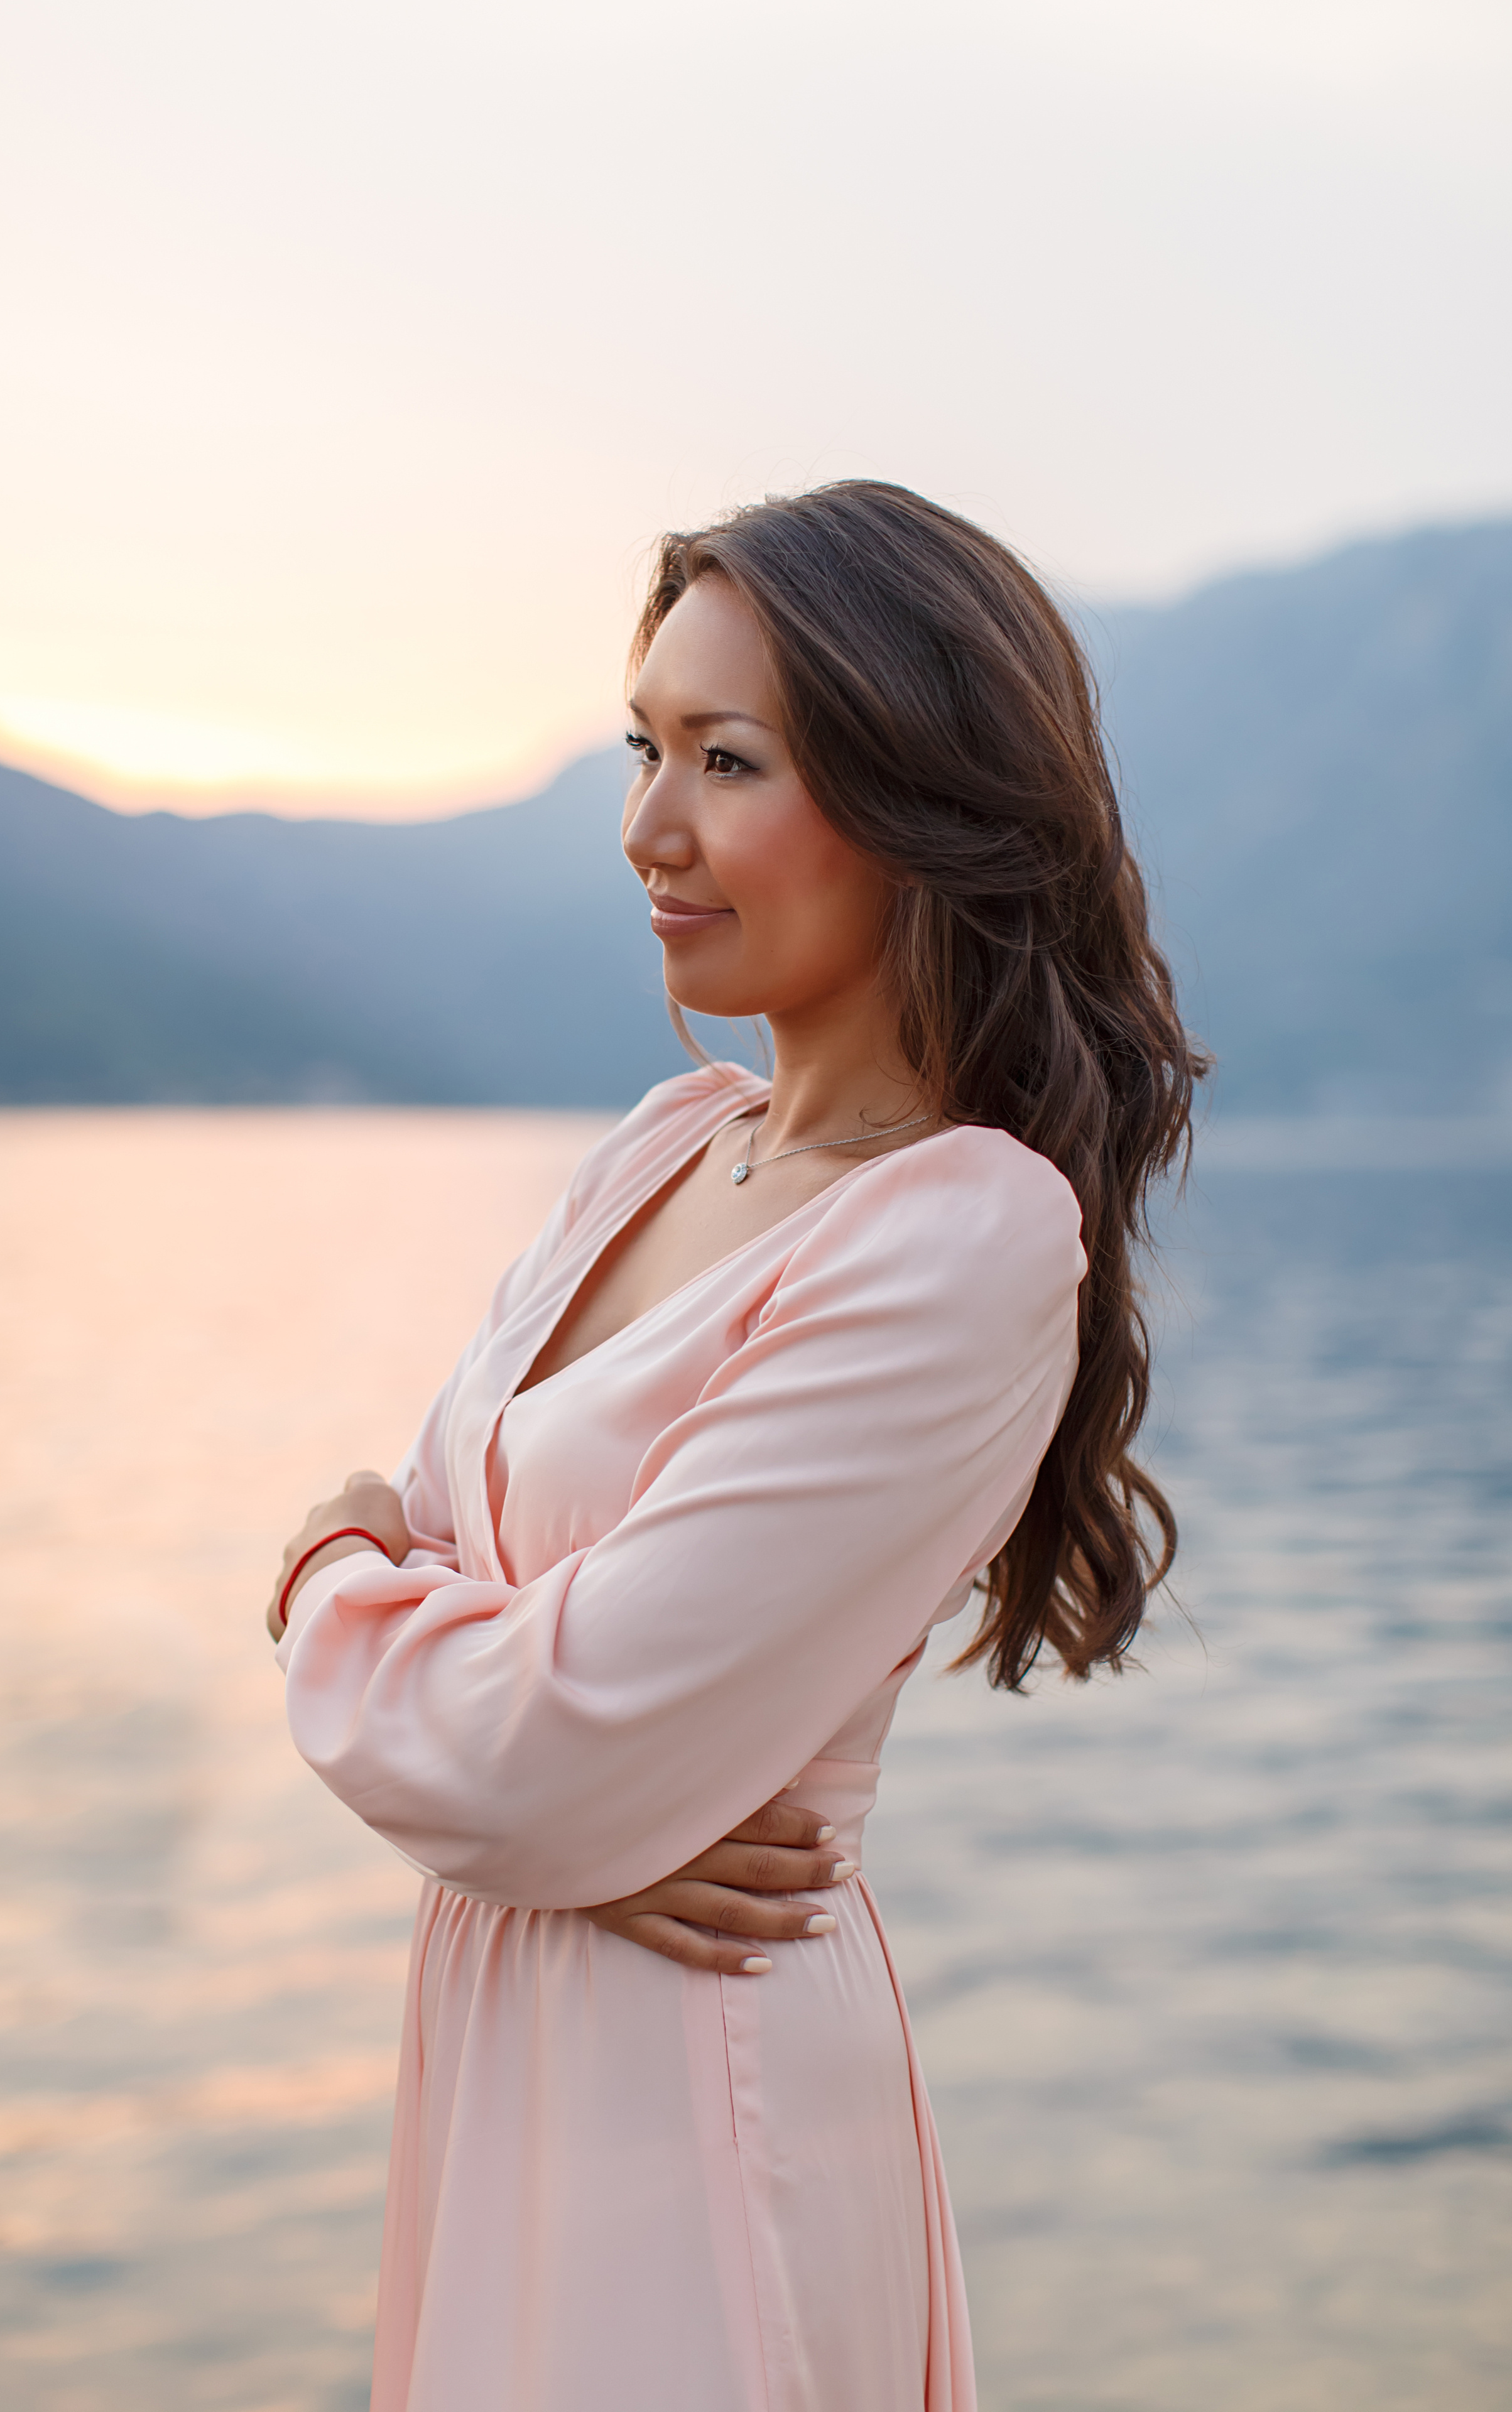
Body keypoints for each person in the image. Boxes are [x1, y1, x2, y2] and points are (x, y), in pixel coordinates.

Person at [267, 481, 1202, 2412]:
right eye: (644, 747)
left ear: (913, 800)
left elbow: (539, 1737)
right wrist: (551, 1785)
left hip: (705, 2082)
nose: (648, 829)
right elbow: (535, 1730)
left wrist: (321, 1590)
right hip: (523, 2036)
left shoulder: (964, 1232)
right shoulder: (658, 1146)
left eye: (728, 760)